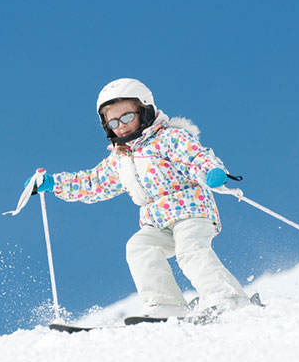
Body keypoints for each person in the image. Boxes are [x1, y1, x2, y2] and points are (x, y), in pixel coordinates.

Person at [30, 78, 251, 320]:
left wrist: (211, 171)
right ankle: (166, 305)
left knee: (190, 249)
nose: (121, 126)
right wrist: (54, 184)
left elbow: (196, 157)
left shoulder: (168, 138)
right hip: (156, 222)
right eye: (113, 122)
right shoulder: (119, 159)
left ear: (144, 111)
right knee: (139, 247)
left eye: (126, 117)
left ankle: (229, 299)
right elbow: (93, 183)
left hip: (191, 212)